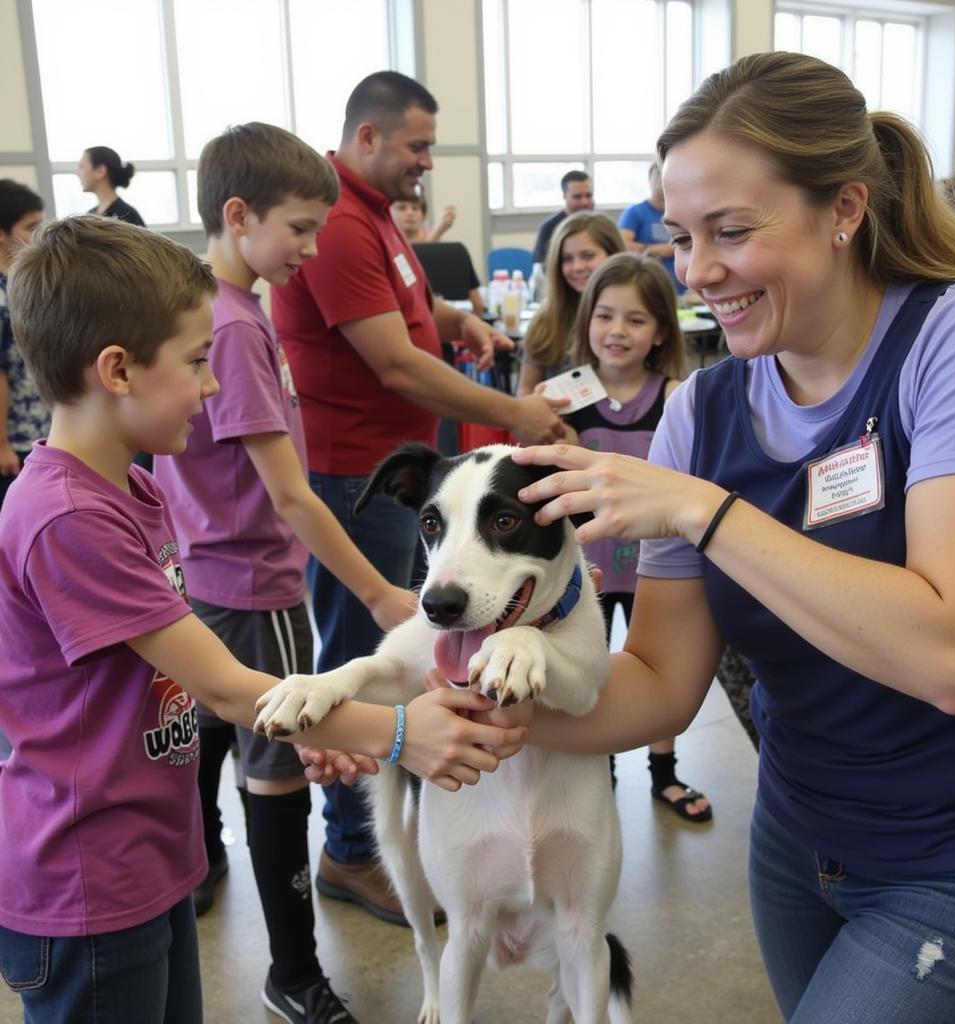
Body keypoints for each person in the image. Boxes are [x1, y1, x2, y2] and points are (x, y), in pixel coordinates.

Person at [510, 52, 955, 1023]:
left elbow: (954, 652)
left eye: (731, 232)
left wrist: (703, 512)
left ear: (842, 209)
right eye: (680, 235)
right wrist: (482, 712)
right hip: (798, 842)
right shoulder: (702, 413)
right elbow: (659, 683)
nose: (696, 271)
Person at [0, 214, 526, 1024]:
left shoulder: (131, 491)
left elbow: (185, 672)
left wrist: (313, 723)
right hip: (86, 878)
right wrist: (393, 734)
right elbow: (226, 685)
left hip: (145, 851)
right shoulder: (66, 517)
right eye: (197, 363)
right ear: (117, 370)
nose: (213, 388)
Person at [271, 70, 565, 927]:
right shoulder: (336, 223)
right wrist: (515, 412)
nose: (427, 163)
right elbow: (393, 362)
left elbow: (402, 305)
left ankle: (401, 825)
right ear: (368, 138)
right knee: (374, 657)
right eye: (419, 146)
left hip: (399, 473)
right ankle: (354, 852)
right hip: (353, 475)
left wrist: (453, 315)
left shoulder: (372, 217)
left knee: (428, 637)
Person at [151, 122, 418, 1021]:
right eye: (300, 228)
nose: (311, 248)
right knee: (276, 784)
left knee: (214, 740)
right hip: (254, 589)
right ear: (238, 214)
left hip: (212, 578)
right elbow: (294, 499)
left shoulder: (211, 311)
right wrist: (381, 592)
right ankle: (294, 975)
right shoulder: (230, 327)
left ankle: (204, 864)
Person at [559, 251, 710, 820]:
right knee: (585, 672)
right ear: (586, 322)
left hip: (654, 568)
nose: (617, 331)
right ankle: (597, 771)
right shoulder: (565, 396)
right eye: (604, 316)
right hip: (582, 570)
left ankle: (664, 774)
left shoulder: (677, 397)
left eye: (636, 319)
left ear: (660, 332)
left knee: (653, 668)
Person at [516, 211, 624, 397]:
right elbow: (526, 389)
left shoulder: (633, 316)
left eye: (588, 256)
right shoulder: (545, 321)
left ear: (613, 256)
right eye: (567, 259)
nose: (577, 267)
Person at [0, 179, 47, 508]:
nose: (38, 235)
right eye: (30, 227)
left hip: (42, 429)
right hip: (16, 438)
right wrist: (1, 443)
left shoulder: (22, 286)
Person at [619, 162, 686, 294]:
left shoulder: (683, 211)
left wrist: (647, 249)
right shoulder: (635, 212)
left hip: (684, 288)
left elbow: (693, 243)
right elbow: (623, 245)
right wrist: (667, 249)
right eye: (658, 176)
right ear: (650, 180)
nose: (662, 181)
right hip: (648, 285)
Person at [531, 169, 595, 266]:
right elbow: (541, 266)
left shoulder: (600, 225)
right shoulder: (549, 228)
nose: (585, 202)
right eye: (577, 197)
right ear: (565, 196)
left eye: (588, 196)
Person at [77, 146, 145, 226]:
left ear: (100, 171)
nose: (77, 173)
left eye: (82, 166)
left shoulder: (127, 216)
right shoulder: (90, 215)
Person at [391, 193, 455, 242]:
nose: (410, 213)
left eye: (415, 208)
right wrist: (438, 231)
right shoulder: (385, 241)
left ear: (424, 216)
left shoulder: (432, 238)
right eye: (402, 208)